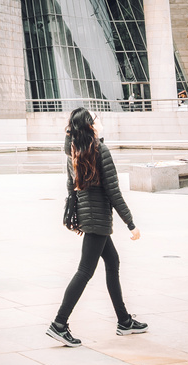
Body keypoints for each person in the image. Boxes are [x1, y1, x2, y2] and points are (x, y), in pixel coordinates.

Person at [47, 108, 148, 346]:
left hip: (89, 217)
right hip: (99, 219)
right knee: (85, 272)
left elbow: (70, 187)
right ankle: (59, 324)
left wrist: (82, 214)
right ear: (90, 126)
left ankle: (124, 321)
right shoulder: (100, 151)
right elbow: (114, 191)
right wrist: (131, 223)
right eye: (96, 119)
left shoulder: (73, 151)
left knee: (112, 262)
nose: (99, 120)